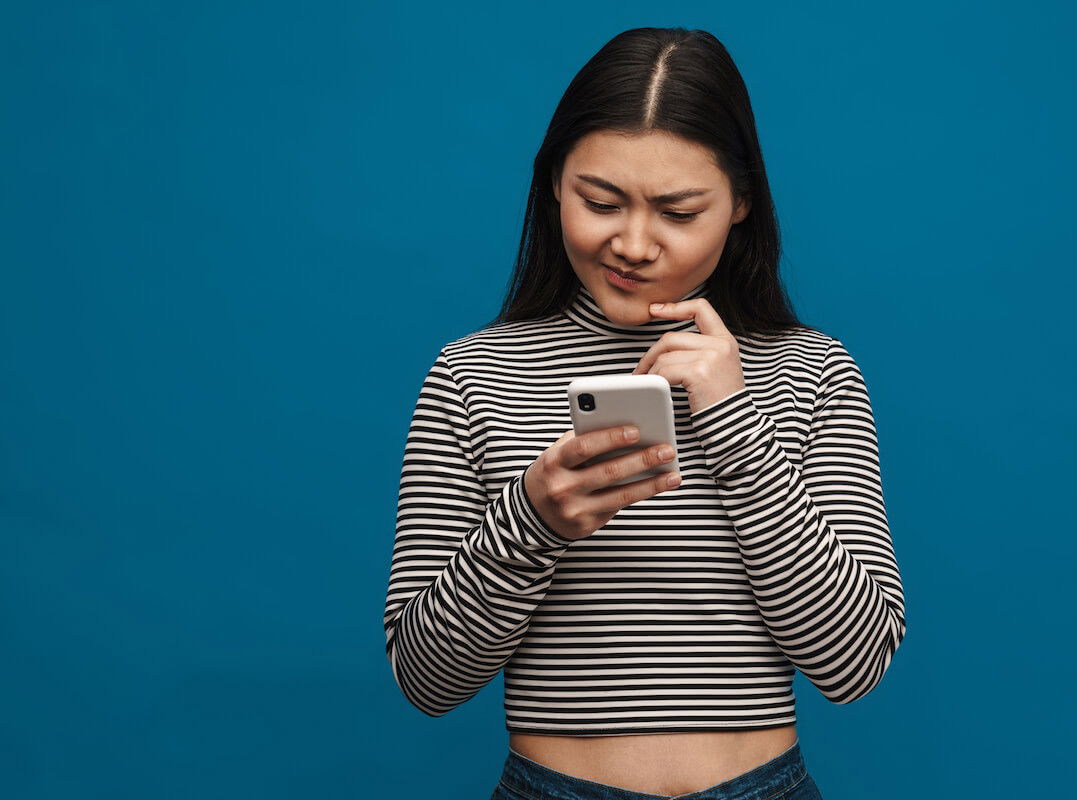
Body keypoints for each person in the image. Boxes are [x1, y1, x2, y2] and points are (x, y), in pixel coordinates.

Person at [383, 26, 907, 800]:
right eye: (600, 201)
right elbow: (427, 680)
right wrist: (534, 518)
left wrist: (735, 425)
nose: (632, 243)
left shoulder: (812, 370)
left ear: (740, 203)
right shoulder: (473, 375)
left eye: (677, 210)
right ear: (554, 183)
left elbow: (854, 663)